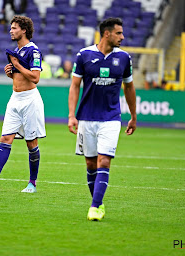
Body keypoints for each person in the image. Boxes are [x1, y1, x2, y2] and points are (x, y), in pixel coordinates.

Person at [68, 17, 137, 221]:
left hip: (111, 118)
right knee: (90, 165)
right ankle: (98, 201)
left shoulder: (124, 58)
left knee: (103, 161)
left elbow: (129, 87)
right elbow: (74, 86)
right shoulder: (84, 55)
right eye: (119, 33)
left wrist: (133, 116)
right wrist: (72, 115)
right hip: (86, 118)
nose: (122, 37)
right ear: (106, 33)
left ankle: (95, 206)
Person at [0, 15, 46, 193]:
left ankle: (32, 183)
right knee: (5, 138)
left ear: (24, 30)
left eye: (14, 28)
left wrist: (17, 66)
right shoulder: (17, 50)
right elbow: (20, 75)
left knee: (31, 143)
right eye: (11, 28)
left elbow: (35, 78)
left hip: (30, 100)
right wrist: (11, 73)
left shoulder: (33, 51)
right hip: (15, 98)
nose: (10, 30)